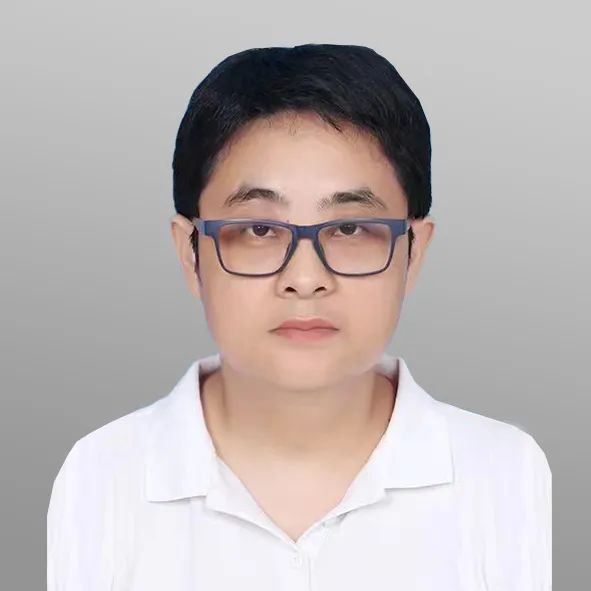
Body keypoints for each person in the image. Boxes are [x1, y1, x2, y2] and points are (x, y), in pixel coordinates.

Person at [47, 43, 551, 590]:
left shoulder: (508, 477)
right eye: (259, 229)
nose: (305, 278)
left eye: (350, 229)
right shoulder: (101, 479)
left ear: (414, 253)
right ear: (190, 254)